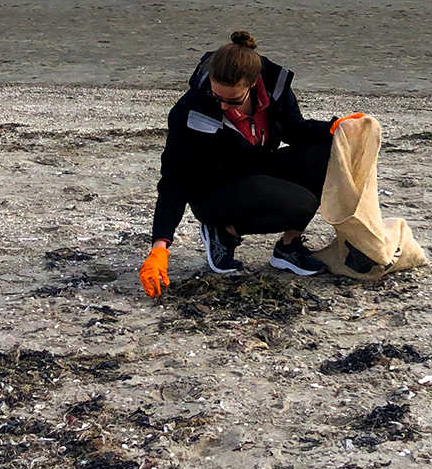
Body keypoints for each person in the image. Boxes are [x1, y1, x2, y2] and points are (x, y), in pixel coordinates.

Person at [141, 30, 348, 288]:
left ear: (252, 84)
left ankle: (288, 248)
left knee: (329, 150)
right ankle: (222, 232)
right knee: (300, 205)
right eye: (217, 97)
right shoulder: (190, 111)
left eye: (233, 100)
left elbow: (295, 131)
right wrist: (160, 246)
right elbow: (174, 180)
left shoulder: (275, 88)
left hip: (255, 168)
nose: (223, 106)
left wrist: (334, 128)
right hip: (213, 191)